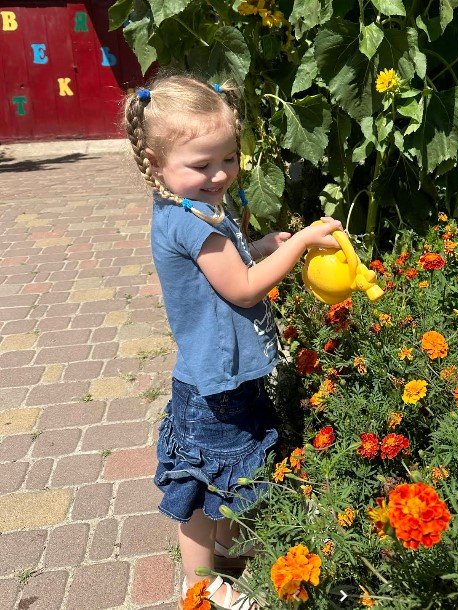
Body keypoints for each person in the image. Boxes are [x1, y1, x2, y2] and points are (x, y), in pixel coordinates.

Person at [123, 73, 342, 609]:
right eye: (202, 164)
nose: (219, 173)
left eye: (228, 158)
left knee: (224, 476)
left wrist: (262, 245)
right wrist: (298, 245)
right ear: (155, 162)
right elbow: (243, 288)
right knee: (201, 489)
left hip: (222, 376)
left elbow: (226, 264)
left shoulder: (189, 206)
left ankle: (224, 550)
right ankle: (199, 585)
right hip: (213, 389)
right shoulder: (191, 224)